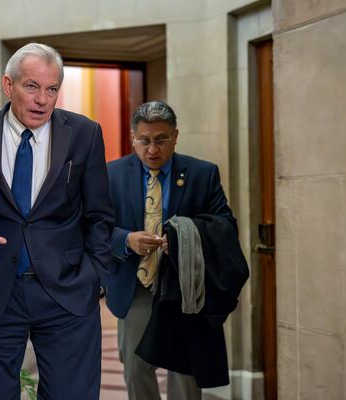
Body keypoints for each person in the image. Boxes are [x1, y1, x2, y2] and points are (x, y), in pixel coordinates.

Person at [0, 43, 114, 399]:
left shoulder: (85, 134)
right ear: (8, 85)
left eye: (51, 89)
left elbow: (100, 217)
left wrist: (94, 277)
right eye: (31, 86)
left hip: (67, 295)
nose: (42, 100)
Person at [106, 100, 236, 400]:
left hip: (185, 288)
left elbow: (225, 226)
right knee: (136, 369)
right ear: (132, 138)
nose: (152, 150)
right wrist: (126, 240)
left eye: (161, 140)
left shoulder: (203, 174)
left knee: (186, 372)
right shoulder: (111, 174)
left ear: (175, 136)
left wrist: (182, 237)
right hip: (135, 284)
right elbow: (94, 227)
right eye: (145, 141)